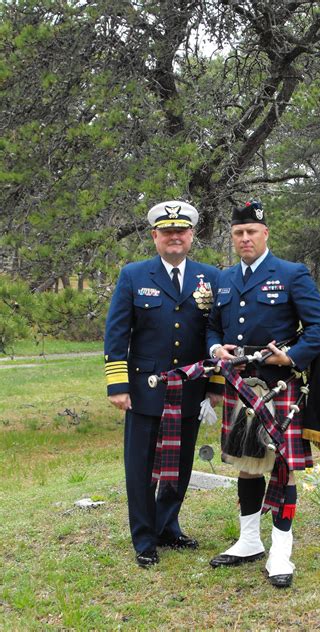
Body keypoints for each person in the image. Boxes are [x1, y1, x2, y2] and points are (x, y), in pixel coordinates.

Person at [207, 200, 320, 588]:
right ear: (232, 237)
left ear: (265, 234)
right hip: (240, 384)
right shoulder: (224, 278)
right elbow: (212, 327)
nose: (245, 238)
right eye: (238, 233)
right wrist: (216, 348)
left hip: (279, 383)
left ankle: (281, 552)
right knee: (247, 462)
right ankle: (249, 541)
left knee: (283, 467)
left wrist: (291, 356)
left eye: (251, 232)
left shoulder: (292, 274)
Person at [104, 200, 223, 568]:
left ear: (191, 235)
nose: (175, 237)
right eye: (168, 231)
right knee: (141, 468)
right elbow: (116, 332)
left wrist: (216, 385)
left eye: (181, 231)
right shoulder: (134, 275)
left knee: (179, 464)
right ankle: (144, 539)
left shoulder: (210, 277)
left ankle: (167, 526)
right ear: (155, 236)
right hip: (145, 390)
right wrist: (117, 384)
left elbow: (217, 332)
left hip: (190, 389)